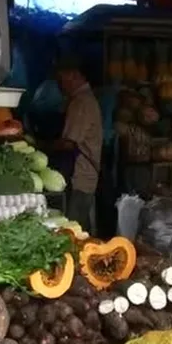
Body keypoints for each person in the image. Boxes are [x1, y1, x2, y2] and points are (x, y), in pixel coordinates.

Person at [46, 54, 103, 233]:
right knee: (78, 226)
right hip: (82, 175)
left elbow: (69, 143)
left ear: (73, 75)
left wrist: (43, 146)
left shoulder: (82, 102)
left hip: (79, 176)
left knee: (75, 229)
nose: (60, 85)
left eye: (61, 79)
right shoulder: (82, 100)